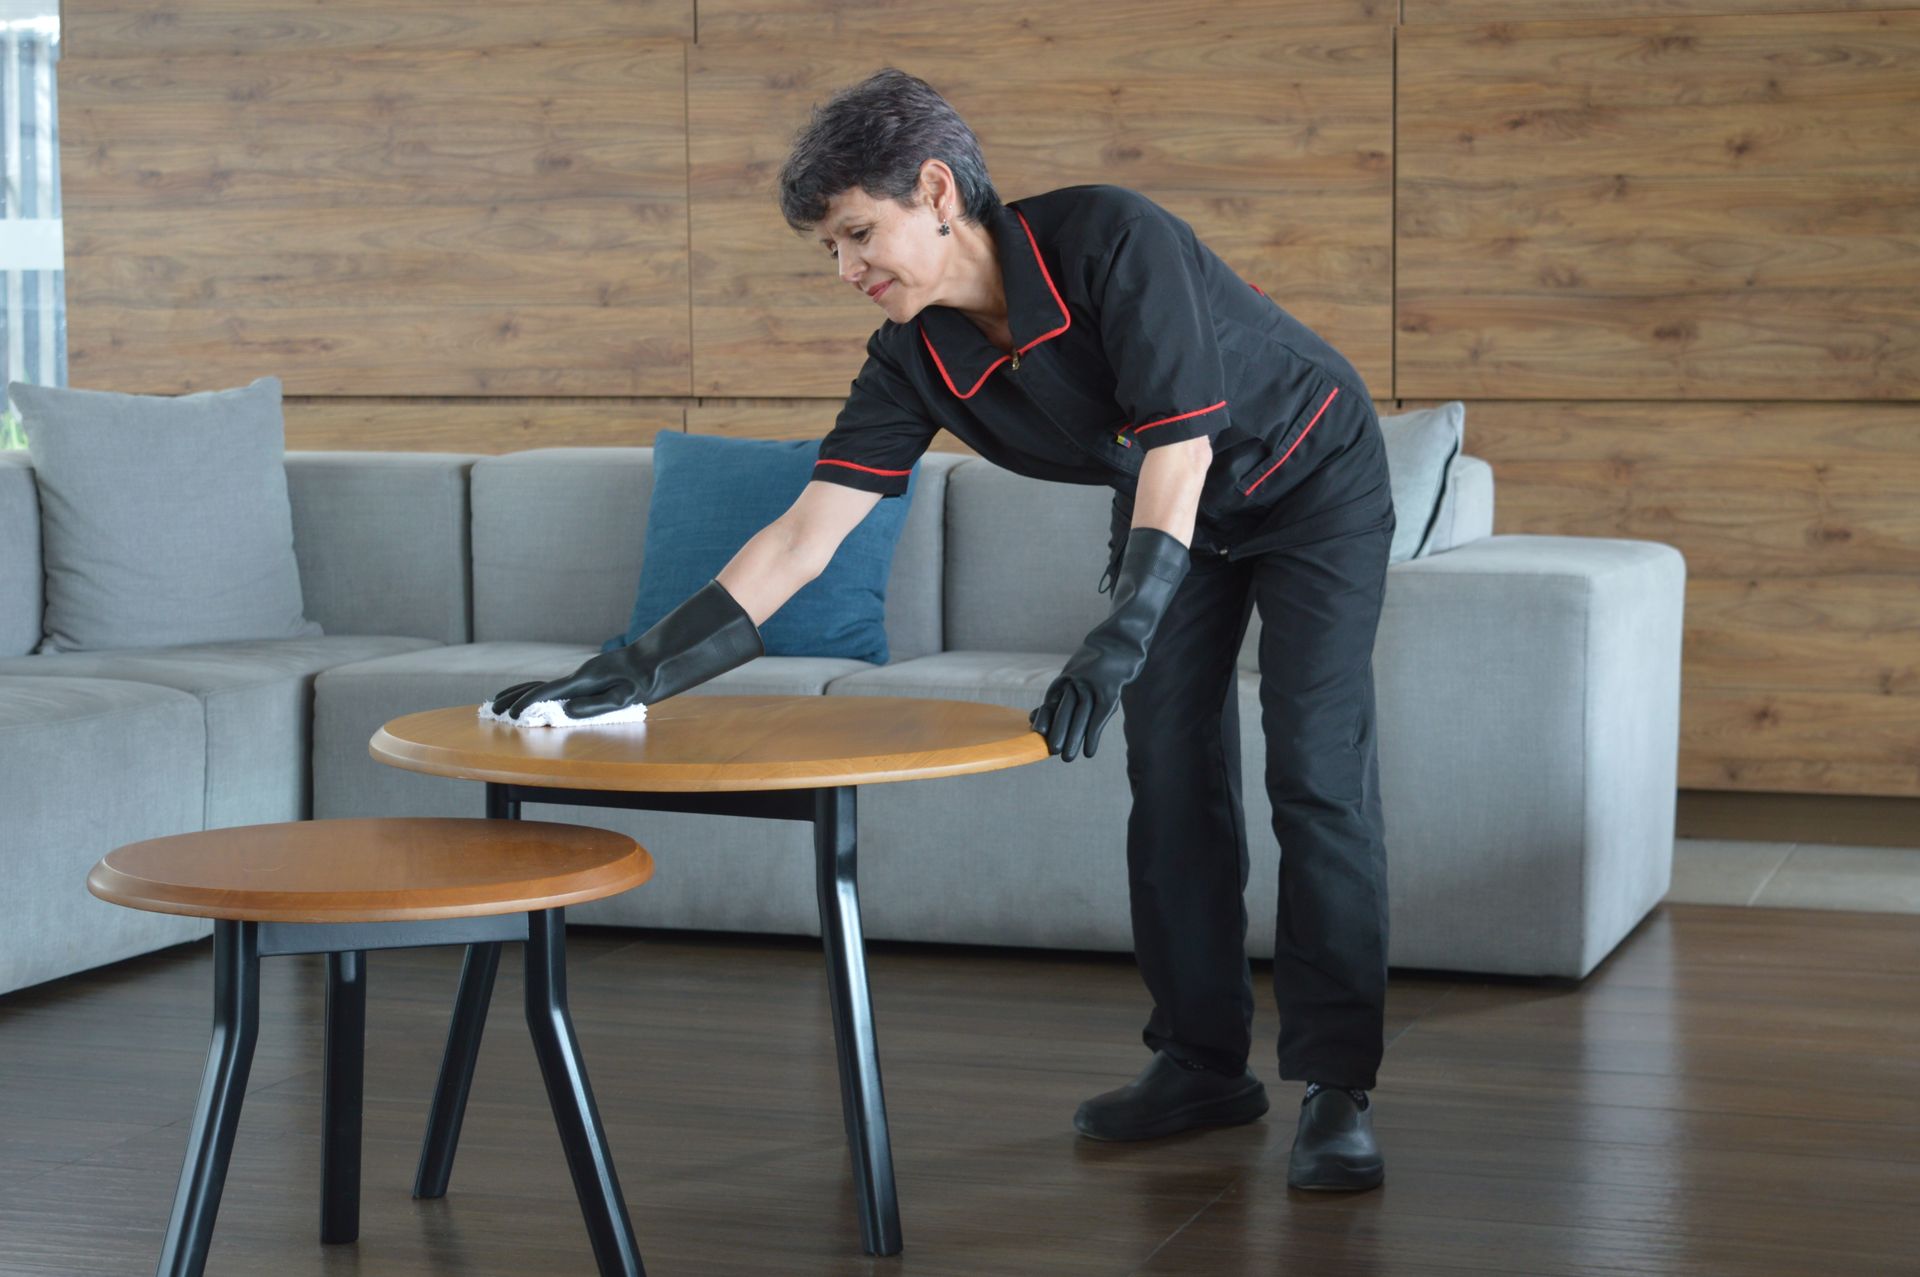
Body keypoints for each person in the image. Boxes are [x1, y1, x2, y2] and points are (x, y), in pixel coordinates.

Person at [491, 68, 1394, 1192]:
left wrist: (1115, 638)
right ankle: (1204, 1061)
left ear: (935, 190)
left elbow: (1180, 445)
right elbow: (805, 535)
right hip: (1177, 506)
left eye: (858, 233)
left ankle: (1337, 1083)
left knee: (1314, 766)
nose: (846, 268)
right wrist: (637, 670)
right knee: (1168, 767)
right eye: (829, 249)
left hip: (1310, 475)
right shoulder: (912, 351)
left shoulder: (1113, 238)